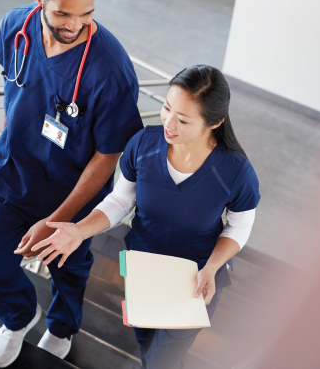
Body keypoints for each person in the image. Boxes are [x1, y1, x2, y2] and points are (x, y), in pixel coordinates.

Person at [0, 0, 144, 368]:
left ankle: (62, 326)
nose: (75, 26)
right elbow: (15, 85)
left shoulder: (110, 70)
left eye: (87, 14)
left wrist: (59, 219)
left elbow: (108, 154)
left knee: (70, 270)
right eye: (64, 14)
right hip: (11, 177)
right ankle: (20, 316)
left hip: (72, 199)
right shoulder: (16, 27)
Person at [32, 65, 260, 369]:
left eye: (183, 119)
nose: (169, 122)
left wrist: (212, 267)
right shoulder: (143, 144)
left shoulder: (235, 172)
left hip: (195, 279)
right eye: (167, 108)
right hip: (143, 267)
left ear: (215, 122)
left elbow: (239, 226)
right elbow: (121, 199)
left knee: (163, 360)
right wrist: (80, 231)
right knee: (145, 339)